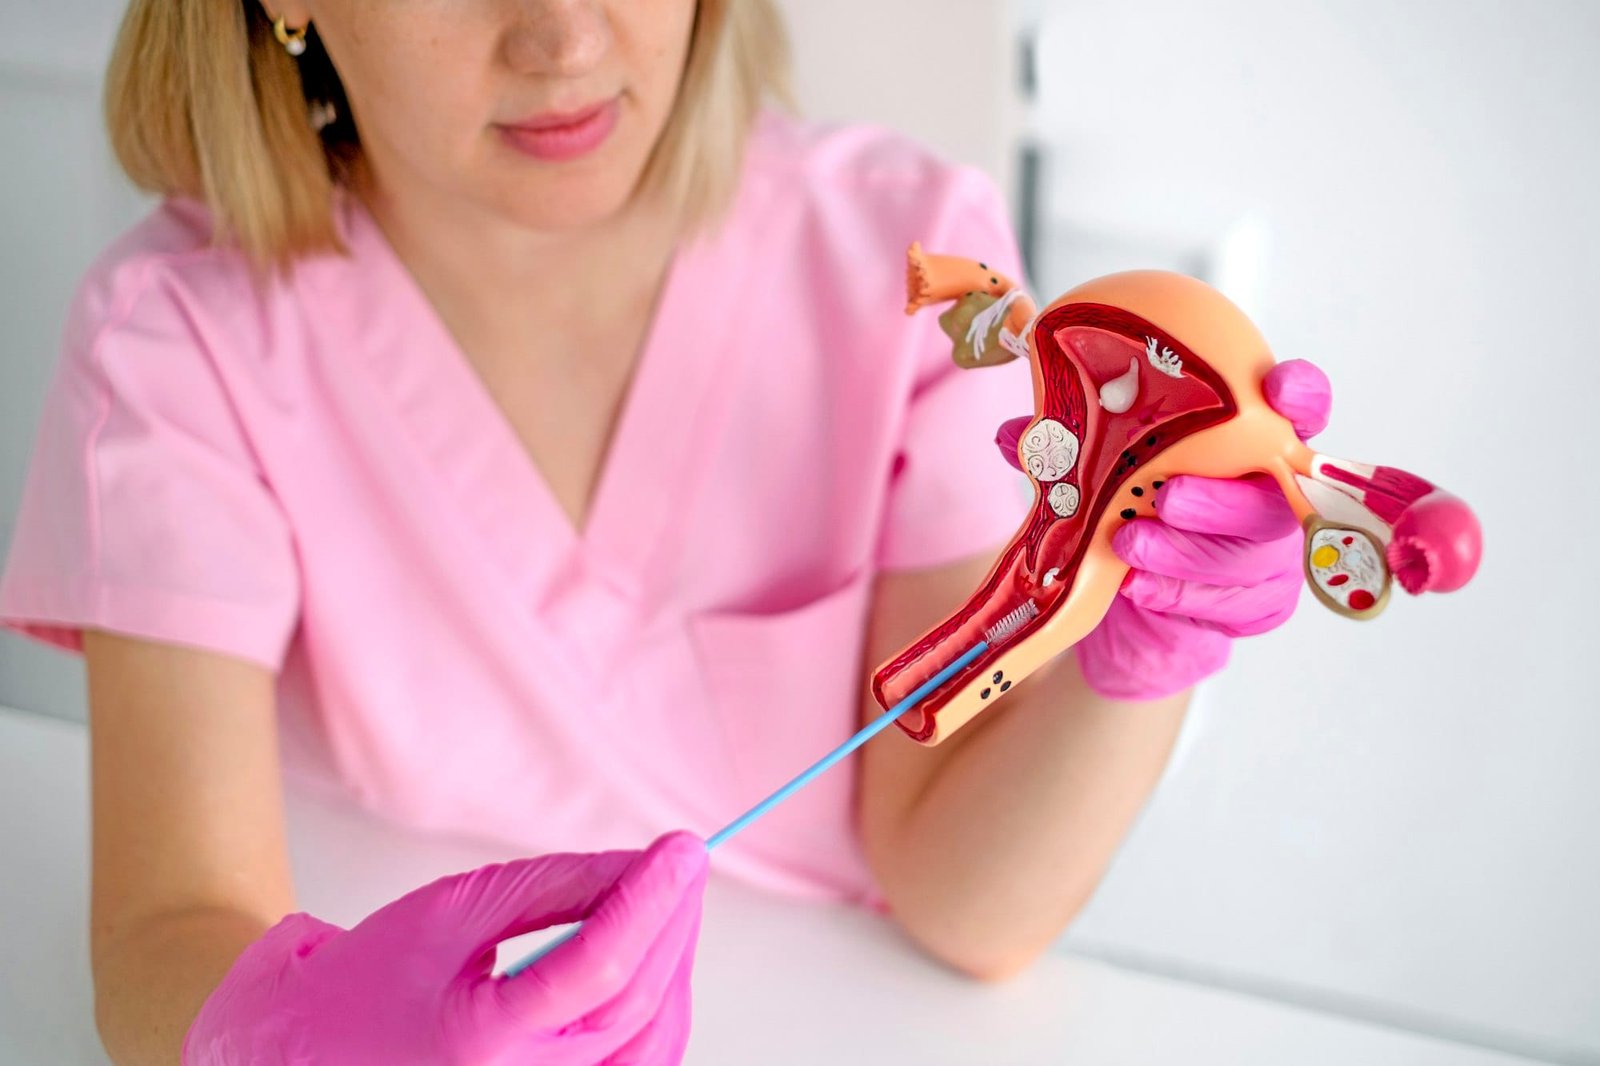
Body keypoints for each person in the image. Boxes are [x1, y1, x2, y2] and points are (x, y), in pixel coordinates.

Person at [0, 0, 1332, 1062]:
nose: (562, 39)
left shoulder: (916, 267)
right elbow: (167, 923)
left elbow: (970, 906)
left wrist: (1144, 653)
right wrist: (295, 1035)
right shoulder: (177, 341)